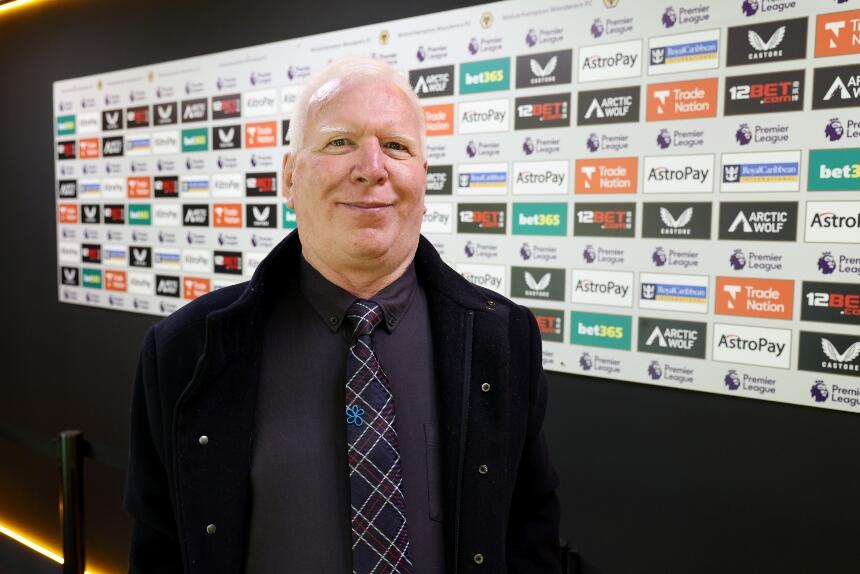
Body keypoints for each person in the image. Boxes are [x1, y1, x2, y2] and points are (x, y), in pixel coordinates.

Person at [124, 56, 561, 573]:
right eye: (339, 142)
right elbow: (161, 552)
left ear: (424, 178)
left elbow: (528, 535)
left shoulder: (502, 339)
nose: (371, 168)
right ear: (289, 177)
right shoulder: (184, 351)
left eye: (395, 146)